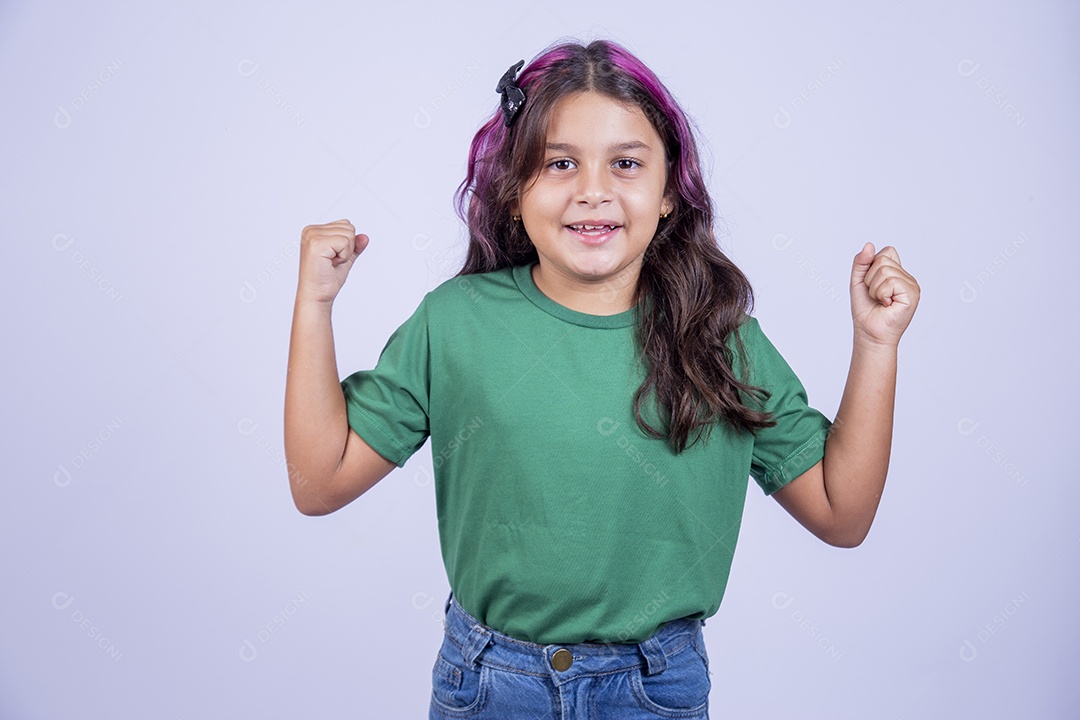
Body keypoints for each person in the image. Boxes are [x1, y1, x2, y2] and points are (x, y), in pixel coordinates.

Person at [284, 38, 920, 720]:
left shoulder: (721, 338)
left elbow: (842, 513)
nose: (593, 191)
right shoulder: (455, 323)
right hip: (490, 687)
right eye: (560, 163)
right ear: (516, 186)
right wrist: (314, 304)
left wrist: (876, 343)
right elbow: (320, 483)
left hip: (655, 691)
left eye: (625, 163)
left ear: (670, 189)